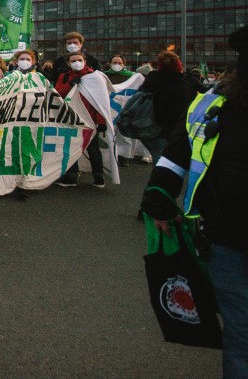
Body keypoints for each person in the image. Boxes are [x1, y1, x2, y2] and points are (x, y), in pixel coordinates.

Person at [140, 25, 248, 378]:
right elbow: (177, 153)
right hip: (227, 236)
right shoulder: (213, 106)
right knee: (241, 333)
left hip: (225, 234)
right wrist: (158, 197)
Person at [54, 50, 110, 188]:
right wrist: (70, 84)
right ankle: (71, 176)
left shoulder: (94, 77)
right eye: (73, 61)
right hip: (70, 119)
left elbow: (99, 101)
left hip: (90, 119)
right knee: (71, 147)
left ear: (85, 61)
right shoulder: (65, 77)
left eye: (79, 60)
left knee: (93, 149)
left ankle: (98, 177)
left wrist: (101, 122)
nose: (76, 63)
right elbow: (58, 94)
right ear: (68, 63)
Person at [138, 50, 204, 162]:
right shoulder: (181, 83)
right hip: (170, 131)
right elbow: (180, 111)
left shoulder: (152, 80)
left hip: (150, 127)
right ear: (178, 65)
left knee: (160, 161)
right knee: (169, 164)